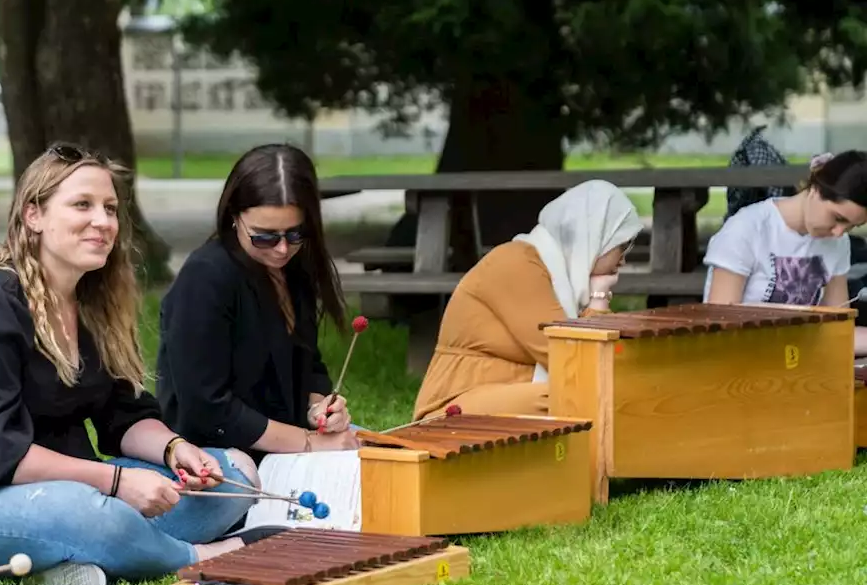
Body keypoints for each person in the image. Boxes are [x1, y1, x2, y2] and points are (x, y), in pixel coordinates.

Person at [0, 143, 260, 585]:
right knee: (87, 511)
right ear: (34, 215)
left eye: (110, 208)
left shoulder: (93, 304)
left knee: (236, 476)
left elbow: (122, 416)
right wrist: (117, 482)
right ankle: (199, 556)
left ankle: (85, 555)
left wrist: (175, 449)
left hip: (79, 489)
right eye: (82, 205)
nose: (103, 221)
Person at [156, 144, 359, 462]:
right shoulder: (205, 278)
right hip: (214, 454)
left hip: (284, 441)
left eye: (295, 234)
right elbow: (207, 409)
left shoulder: (294, 267)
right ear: (234, 217)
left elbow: (309, 365)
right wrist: (306, 442)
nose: (281, 249)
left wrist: (320, 408)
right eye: (264, 236)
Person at [413, 180, 644, 420]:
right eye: (622, 246)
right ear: (596, 237)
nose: (623, 260)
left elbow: (597, 361)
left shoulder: (561, 276)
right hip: (453, 405)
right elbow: (570, 357)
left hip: (508, 395)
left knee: (588, 392)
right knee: (572, 395)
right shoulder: (516, 263)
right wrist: (598, 302)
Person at [703, 150, 867, 315]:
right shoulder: (746, 229)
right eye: (838, 218)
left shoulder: (838, 242)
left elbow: (838, 324)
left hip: (804, 340)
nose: (839, 232)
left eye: (851, 226)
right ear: (816, 189)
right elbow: (720, 320)